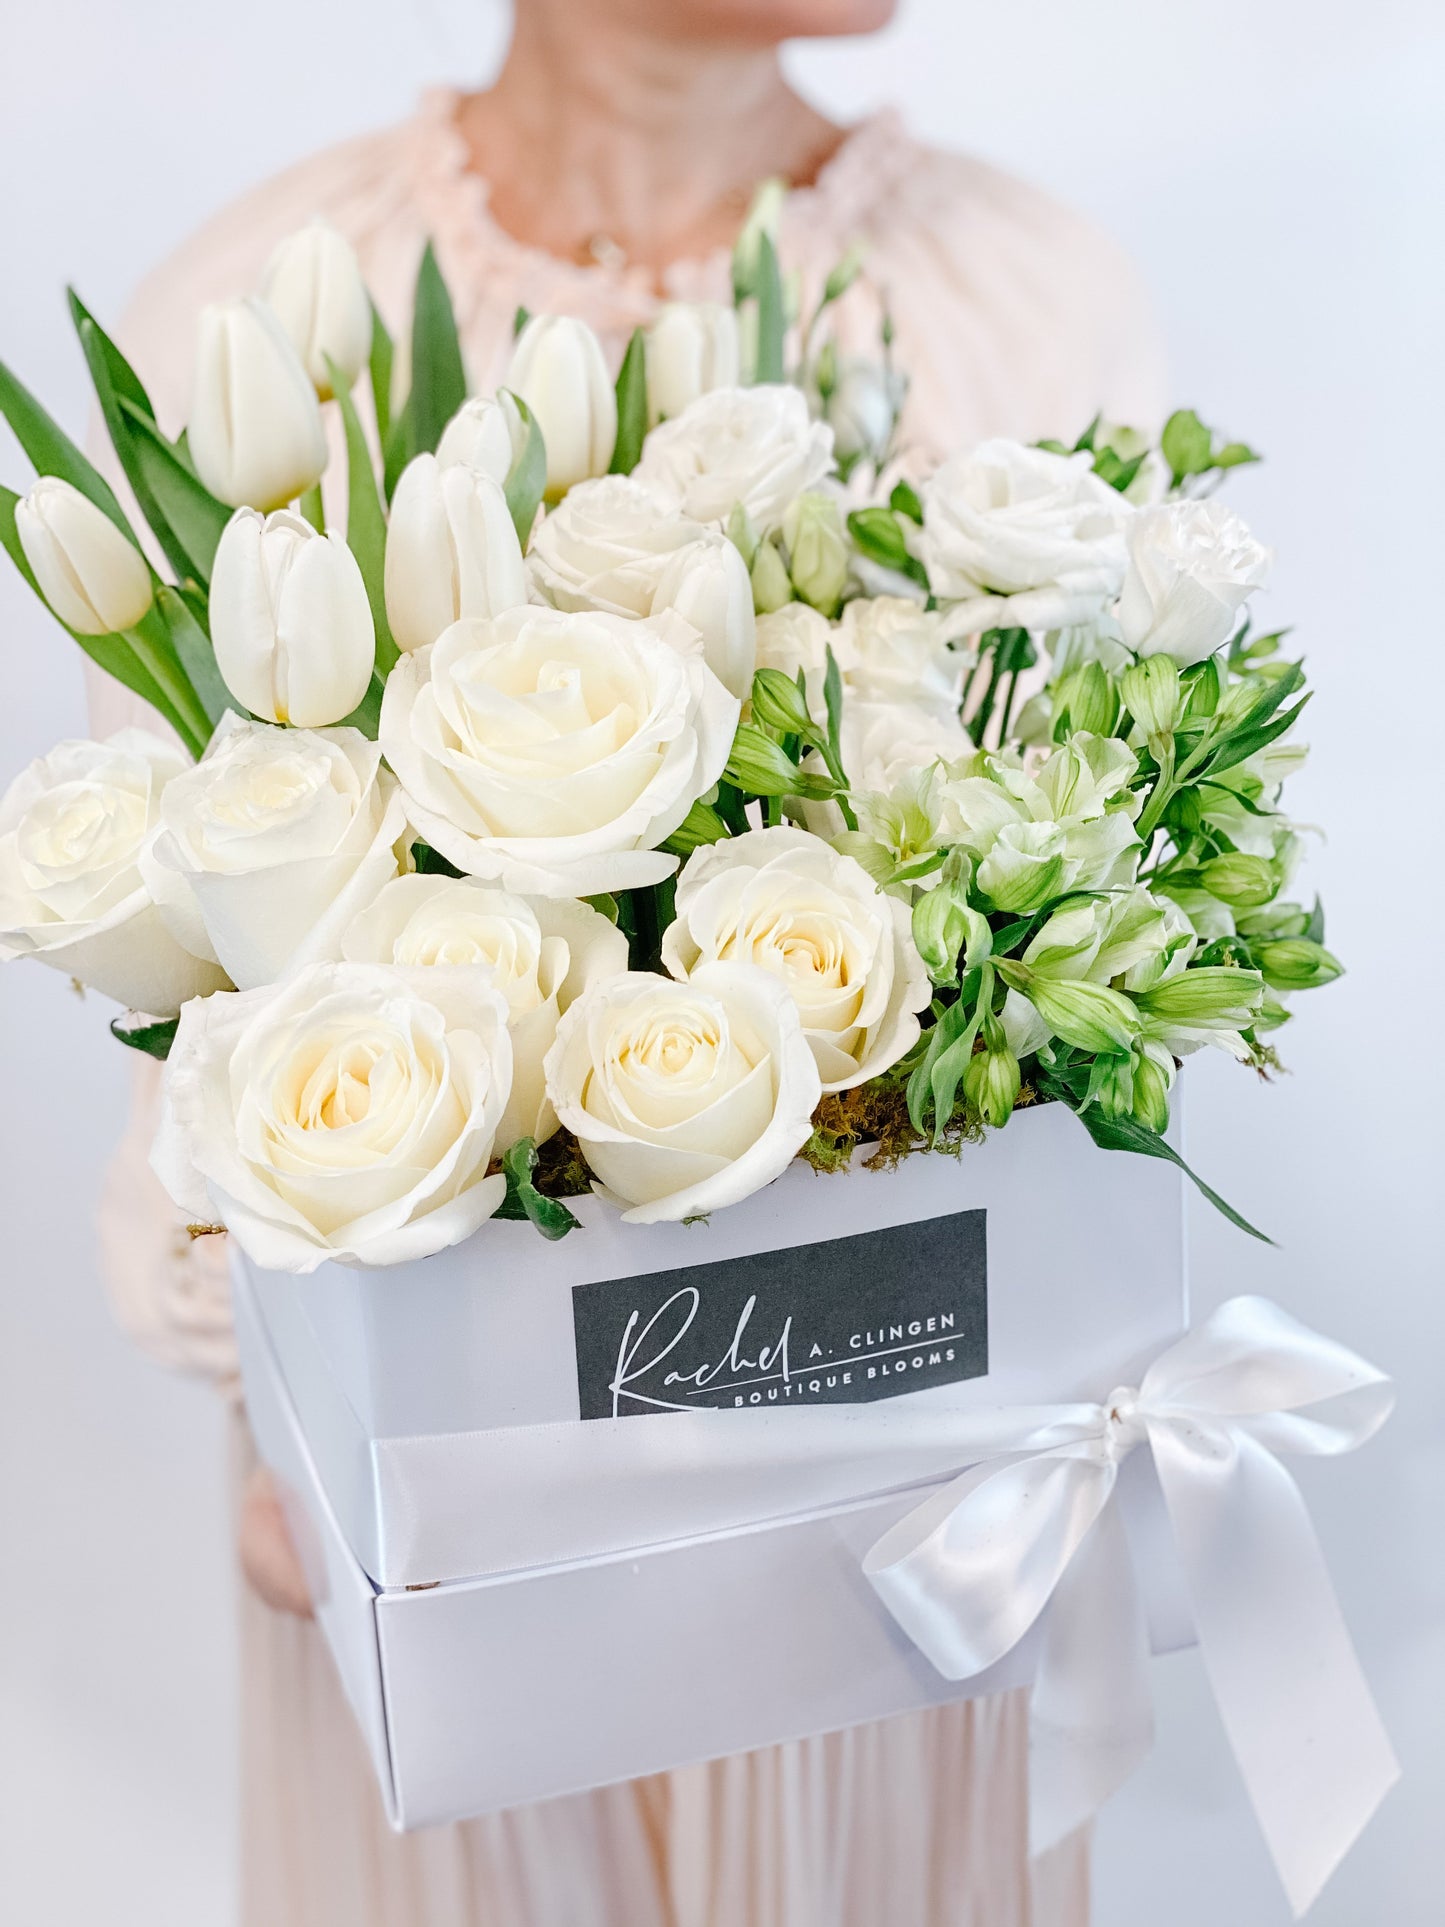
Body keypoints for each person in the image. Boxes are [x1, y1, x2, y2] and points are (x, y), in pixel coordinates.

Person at [91, 3, 1167, 1923]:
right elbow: (212, 953)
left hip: (876, 1538)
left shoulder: (1012, 297)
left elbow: (1080, 939)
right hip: (450, 1544)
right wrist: (263, 1352)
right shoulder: (252, 301)